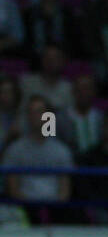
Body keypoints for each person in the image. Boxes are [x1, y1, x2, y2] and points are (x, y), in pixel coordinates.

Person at [2, 94, 74, 222]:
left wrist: (51, 208)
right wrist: (33, 207)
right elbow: (13, 189)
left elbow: (65, 191)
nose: (34, 115)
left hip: (55, 210)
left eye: (39, 111)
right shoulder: (15, 149)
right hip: (24, 210)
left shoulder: (61, 151)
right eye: (31, 112)